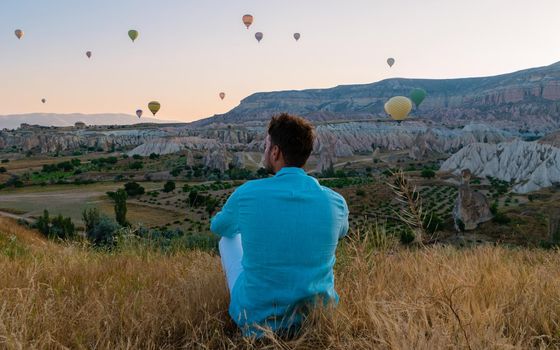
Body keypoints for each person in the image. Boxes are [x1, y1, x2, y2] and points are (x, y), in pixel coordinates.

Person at [210, 113, 349, 337]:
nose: (265, 151)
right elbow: (343, 232)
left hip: (255, 321)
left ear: (275, 152)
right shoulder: (336, 201)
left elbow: (219, 227)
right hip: (318, 318)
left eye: (266, 146)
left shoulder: (247, 193)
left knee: (228, 239)